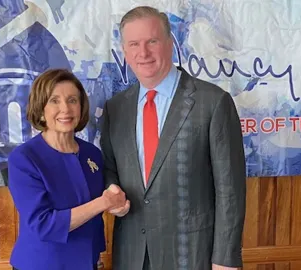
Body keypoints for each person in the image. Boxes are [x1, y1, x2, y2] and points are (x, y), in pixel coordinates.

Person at [100, 6, 246, 270]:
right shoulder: (116, 108)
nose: (143, 53)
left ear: (170, 43)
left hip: (191, 254)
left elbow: (230, 190)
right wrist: (113, 192)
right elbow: (110, 168)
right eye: (134, 44)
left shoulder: (213, 102)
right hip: (132, 255)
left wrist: (225, 259)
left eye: (152, 41)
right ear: (124, 51)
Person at [8, 69, 128, 270]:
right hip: (41, 265)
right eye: (54, 101)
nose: (65, 108)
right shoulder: (24, 158)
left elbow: (94, 217)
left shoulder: (92, 154)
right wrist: (104, 202)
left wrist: (117, 205)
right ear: (41, 109)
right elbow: (43, 225)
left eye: (72, 100)